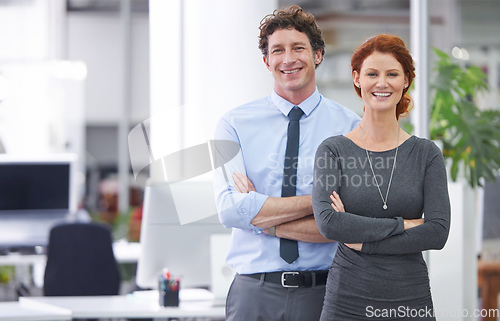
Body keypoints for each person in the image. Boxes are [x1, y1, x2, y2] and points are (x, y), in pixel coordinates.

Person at [212, 5, 361, 321]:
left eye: (298, 48)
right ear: (267, 61)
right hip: (254, 294)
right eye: (277, 50)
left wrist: (262, 217)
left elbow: (346, 224)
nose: (288, 59)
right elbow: (229, 210)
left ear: (318, 55)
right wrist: (319, 203)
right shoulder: (233, 125)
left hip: (325, 292)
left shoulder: (350, 129)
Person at [312, 34, 451, 320]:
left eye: (392, 74)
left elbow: (437, 232)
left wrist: (364, 241)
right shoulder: (333, 150)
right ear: (357, 78)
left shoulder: (426, 154)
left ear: (406, 81)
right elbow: (328, 222)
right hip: (346, 300)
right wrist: (407, 225)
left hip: (409, 298)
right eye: (372, 73)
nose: (382, 83)